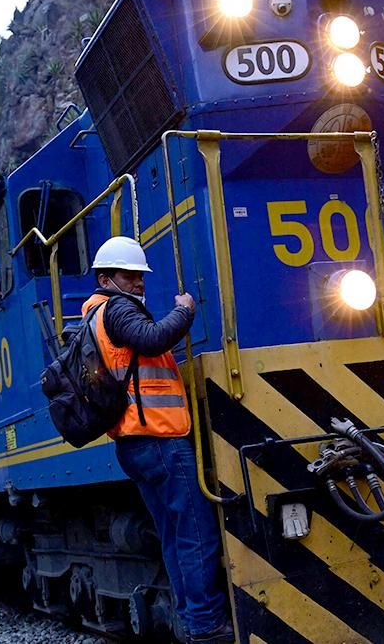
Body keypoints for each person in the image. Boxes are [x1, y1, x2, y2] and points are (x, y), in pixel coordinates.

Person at [82, 236, 232, 643]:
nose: (138, 283)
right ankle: (205, 623)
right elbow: (152, 339)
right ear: (105, 278)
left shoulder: (96, 316)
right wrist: (184, 311)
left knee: (173, 533)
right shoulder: (116, 309)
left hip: (137, 443)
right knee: (195, 531)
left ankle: (193, 620)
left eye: (140, 277)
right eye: (129, 276)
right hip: (158, 439)